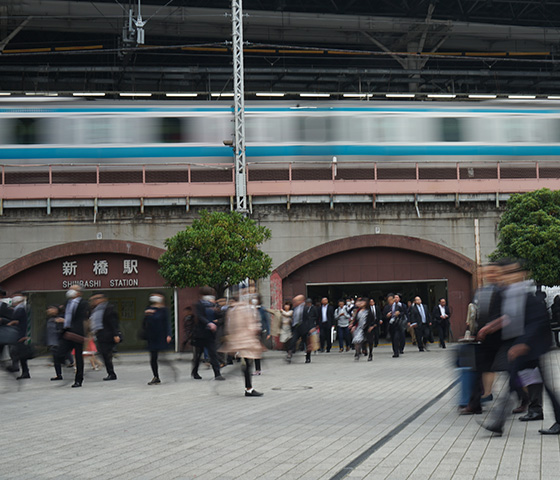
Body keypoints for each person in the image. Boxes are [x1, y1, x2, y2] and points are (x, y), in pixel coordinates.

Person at [480, 260, 560, 435]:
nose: (508, 276)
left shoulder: (528, 296)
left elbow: (537, 321)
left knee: (541, 385)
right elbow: (509, 317)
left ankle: (499, 422)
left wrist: (523, 343)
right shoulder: (509, 294)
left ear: (521, 274)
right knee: (514, 384)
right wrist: (491, 326)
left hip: (532, 347)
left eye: (512, 272)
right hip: (520, 347)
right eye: (506, 273)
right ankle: (498, 423)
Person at [219, 293, 265, 396]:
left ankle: (248, 387)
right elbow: (251, 325)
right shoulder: (245, 310)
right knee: (248, 363)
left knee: (246, 363)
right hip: (247, 341)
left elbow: (229, 327)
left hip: (238, 341)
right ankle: (249, 388)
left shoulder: (231, 311)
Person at [58, 284, 89, 388]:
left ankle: (78, 380)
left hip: (77, 333)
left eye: (72, 289)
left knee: (78, 357)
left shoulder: (83, 303)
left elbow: (84, 318)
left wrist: (87, 333)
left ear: (79, 292)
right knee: (59, 352)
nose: (69, 291)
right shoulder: (67, 303)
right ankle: (66, 364)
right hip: (67, 332)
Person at [192, 287, 224, 381]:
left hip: (210, 334)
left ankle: (217, 373)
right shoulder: (199, 305)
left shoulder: (213, 305)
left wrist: (217, 309)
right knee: (198, 354)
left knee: (213, 353)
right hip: (201, 334)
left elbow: (220, 315)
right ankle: (195, 371)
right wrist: (208, 323)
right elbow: (200, 316)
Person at [89, 292, 121, 381]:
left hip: (107, 334)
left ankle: (111, 374)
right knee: (103, 353)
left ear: (104, 299)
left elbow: (114, 322)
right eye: (93, 299)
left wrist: (116, 334)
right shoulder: (95, 310)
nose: (95, 301)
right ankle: (110, 370)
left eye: (97, 298)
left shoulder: (108, 308)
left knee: (106, 354)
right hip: (99, 334)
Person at [144, 292, 172, 385]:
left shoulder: (163, 310)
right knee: (153, 357)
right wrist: (147, 315)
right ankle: (156, 376)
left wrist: (169, 334)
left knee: (162, 356)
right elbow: (145, 324)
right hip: (152, 336)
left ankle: (170, 369)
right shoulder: (148, 310)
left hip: (161, 335)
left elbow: (167, 323)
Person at [287, 295, 316, 364]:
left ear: (301, 301)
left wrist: (311, 327)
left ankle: (308, 357)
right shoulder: (294, 309)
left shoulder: (306, 308)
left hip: (304, 328)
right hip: (296, 328)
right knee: (293, 341)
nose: (294, 303)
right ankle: (289, 354)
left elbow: (310, 319)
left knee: (307, 343)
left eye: (296, 301)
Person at [10, 292, 30, 380]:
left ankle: (23, 371)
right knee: (19, 354)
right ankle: (24, 371)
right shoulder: (18, 308)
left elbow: (17, 320)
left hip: (20, 335)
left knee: (19, 353)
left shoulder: (20, 309)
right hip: (19, 334)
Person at [46, 305, 64, 381]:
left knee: (60, 357)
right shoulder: (49, 319)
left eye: (51, 309)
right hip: (52, 342)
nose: (49, 311)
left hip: (59, 341)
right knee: (56, 359)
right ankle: (59, 374)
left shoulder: (60, 318)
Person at [382, 293, 404, 358]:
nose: (391, 301)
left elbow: (403, 313)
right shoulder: (386, 307)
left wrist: (399, 314)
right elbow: (383, 317)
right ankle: (395, 351)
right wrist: (387, 316)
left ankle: (398, 351)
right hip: (391, 325)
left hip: (397, 324)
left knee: (396, 338)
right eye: (389, 300)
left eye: (392, 299)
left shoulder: (398, 306)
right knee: (393, 339)